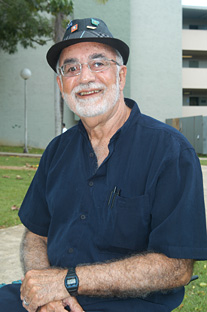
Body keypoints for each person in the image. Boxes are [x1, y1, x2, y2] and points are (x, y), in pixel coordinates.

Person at [0, 17, 207, 312]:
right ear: (61, 84)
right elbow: (36, 235)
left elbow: (176, 268)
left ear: (121, 75)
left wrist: (67, 281)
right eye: (71, 68)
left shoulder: (170, 151)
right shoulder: (56, 151)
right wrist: (48, 290)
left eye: (99, 63)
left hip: (131, 305)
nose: (85, 77)